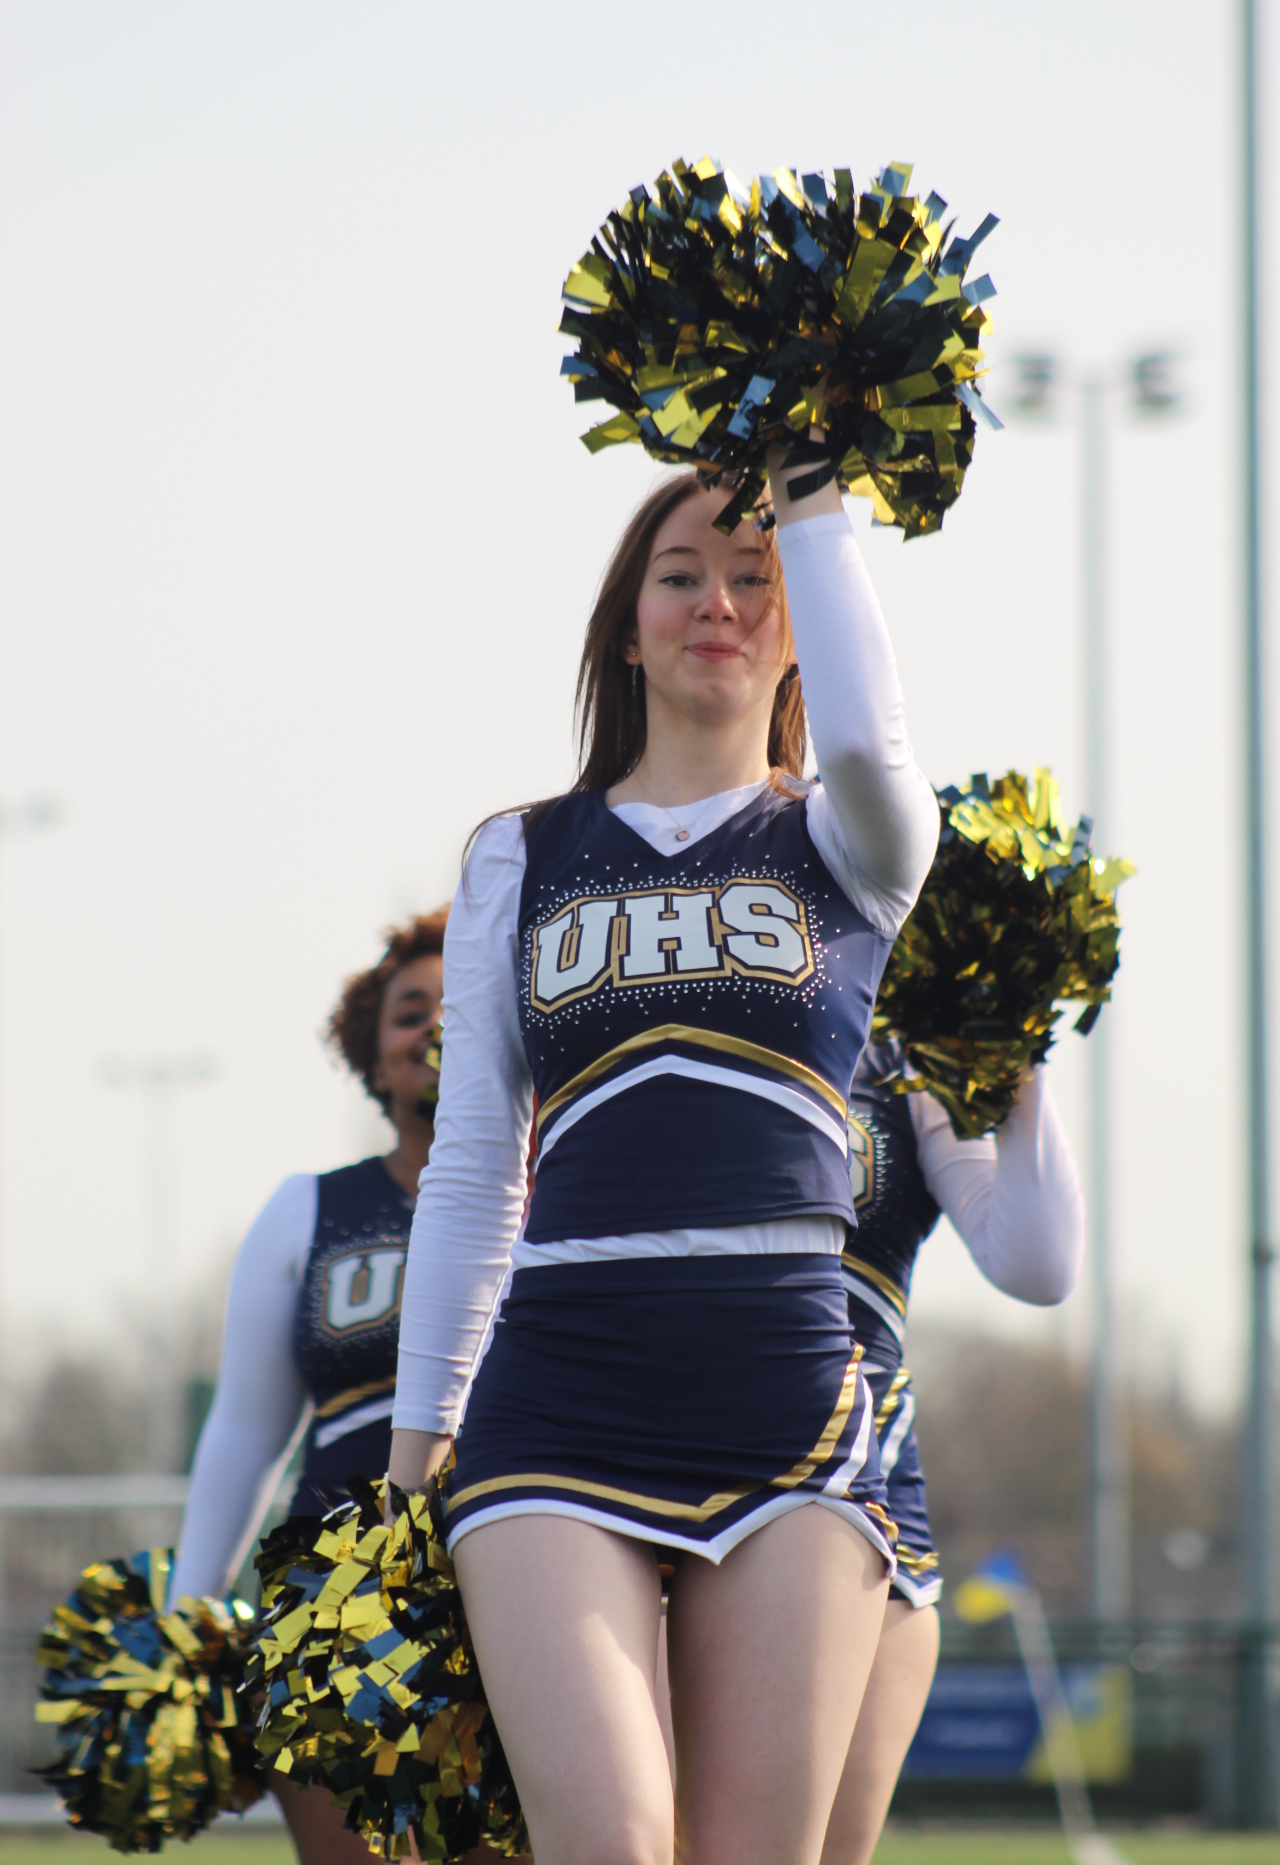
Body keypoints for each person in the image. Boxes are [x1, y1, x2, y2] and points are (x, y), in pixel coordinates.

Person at [389, 436, 941, 1865]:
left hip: (786, 1397)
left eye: (753, 580)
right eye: (679, 576)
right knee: (613, 1843)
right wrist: (411, 1454)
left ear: (801, 630)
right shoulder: (520, 854)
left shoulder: (855, 838)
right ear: (625, 629)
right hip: (556, 1396)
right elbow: (474, 1166)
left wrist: (810, 483)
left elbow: (869, 742)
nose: (717, 605)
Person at [170, 910, 447, 1865]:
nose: (436, 1027)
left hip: (528, 1578)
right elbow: (247, 1432)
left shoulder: (581, 1199)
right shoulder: (312, 1210)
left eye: (464, 1006)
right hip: (336, 1596)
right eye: (410, 1012)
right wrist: (189, 1617)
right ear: (372, 1055)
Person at [820, 1041, 1084, 1865]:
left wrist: (1017, 1061)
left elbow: (1038, 1265)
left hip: (860, 1496)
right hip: (651, 1466)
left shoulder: (910, 1051)